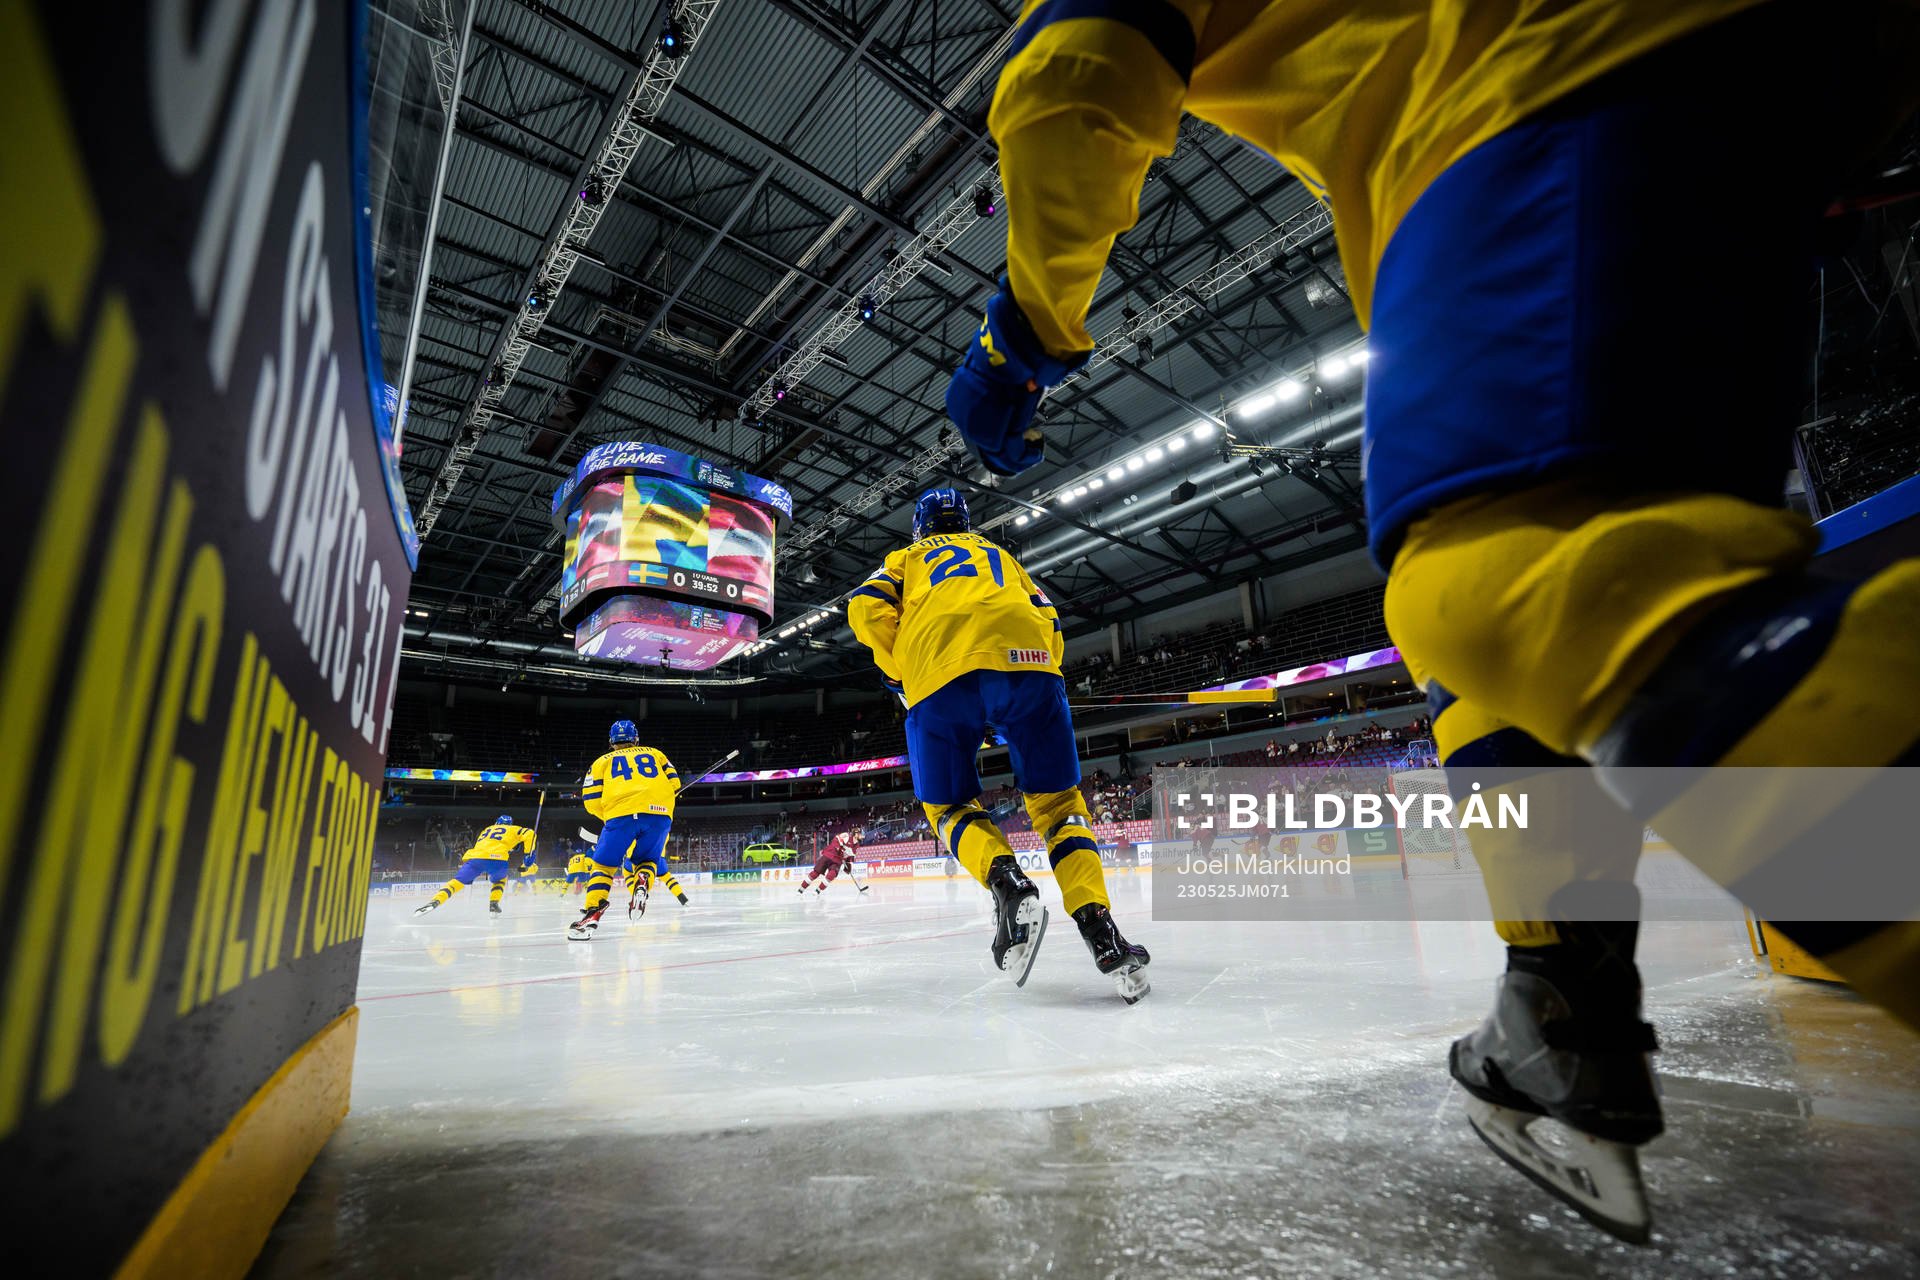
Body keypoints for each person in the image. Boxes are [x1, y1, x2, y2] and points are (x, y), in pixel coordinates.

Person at [940, 0, 1920, 1238]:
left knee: (1512, 579)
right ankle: (1558, 998)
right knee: (1492, 660)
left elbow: (1076, 64)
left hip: (1534, 74)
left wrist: (1023, 332)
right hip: (1754, 86)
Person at [848, 487, 1149, 1001]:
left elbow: (865, 608)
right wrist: (1034, 675)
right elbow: (1050, 619)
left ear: (921, 528)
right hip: (1033, 668)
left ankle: (1008, 881)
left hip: (941, 677)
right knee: (1061, 808)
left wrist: (904, 673)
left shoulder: (907, 558)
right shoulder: (1001, 556)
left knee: (948, 807)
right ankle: (1101, 930)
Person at [571, 720, 688, 940]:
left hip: (621, 816)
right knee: (648, 860)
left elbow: (591, 799)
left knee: (603, 866)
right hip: (659, 815)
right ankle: (642, 879)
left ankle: (592, 913)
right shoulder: (655, 753)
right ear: (636, 739)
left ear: (611, 742)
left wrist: (610, 817)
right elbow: (675, 784)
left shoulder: (601, 762)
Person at [413, 815, 538, 917]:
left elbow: (495, 843)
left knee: (456, 882)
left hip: (476, 858)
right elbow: (530, 833)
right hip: (498, 860)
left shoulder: (487, 830)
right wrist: (529, 856)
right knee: (500, 880)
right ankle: (494, 904)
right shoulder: (512, 829)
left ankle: (435, 901)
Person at [800, 828, 860, 895]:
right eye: (859, 833)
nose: (860, 835)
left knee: (832, 875)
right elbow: (836, 839)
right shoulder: (846, 835)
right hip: (829, 854)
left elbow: (850, 856)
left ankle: (818, 890)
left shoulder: (857, 845)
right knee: (815, 873)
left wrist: (848, 865)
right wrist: (838, 848)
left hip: (838, 861)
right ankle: (801, 889)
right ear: (855, 833)